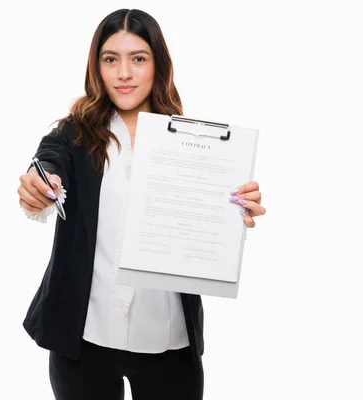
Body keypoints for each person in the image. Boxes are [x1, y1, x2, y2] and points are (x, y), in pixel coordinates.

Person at [16, 8, 266, 400]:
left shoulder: (190, 142)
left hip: (167, 337)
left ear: (158, 65)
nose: (124, 73)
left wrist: (236, 209)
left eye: (138, 58)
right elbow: (47, 165)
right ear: (96, 67)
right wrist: (38, 185)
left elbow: (206, 227)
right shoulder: (71, 135)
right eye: (110, 59)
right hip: (85, 335)